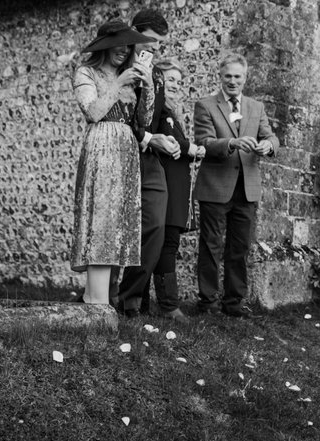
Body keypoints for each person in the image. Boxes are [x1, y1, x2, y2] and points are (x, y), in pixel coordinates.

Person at [70, 20, 155, 304]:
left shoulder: (129, 77)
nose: (124, 50)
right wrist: (118, 84)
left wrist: (148, 86)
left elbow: (142, 122)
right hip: (101, 147)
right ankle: (96, 300)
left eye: (128, 45)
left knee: (119, 221)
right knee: (101, 219)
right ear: (105, 45)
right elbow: (93, 111)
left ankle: (96, 297)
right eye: (119, 44)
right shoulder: (87, 72)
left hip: (126, 151)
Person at [193, 53, 279, 318]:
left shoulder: (256, 107)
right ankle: (208, 302)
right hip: (215, 187)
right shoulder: (205, 105)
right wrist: (231, 143)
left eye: (237, 76)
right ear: (220, 76)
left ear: (245, 78)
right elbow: (204, 142)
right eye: (228, 76)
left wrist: (268, 146)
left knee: (239, 248)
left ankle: (234, 303)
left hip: (247, 188)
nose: (232, 81)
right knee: (211, 245)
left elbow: (272, 137)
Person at [116, 8, 180, 317]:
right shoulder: (116, 66)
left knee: (155, 224)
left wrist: (167, 137)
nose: (154, 48)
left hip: (151, 158)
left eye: (159, 43)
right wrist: (147, 138)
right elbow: (118, 117)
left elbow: (162, 114)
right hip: (122, 153)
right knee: (123, 227)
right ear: (133, 31)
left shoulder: (156, 74)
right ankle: (128, 302)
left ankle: (129, 295)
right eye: (150, 40)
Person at [142, 59, 205, 323]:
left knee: (168, 243)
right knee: (165, 244)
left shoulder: (171, 113)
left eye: (179, 81)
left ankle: (148, 303)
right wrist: (189, 146)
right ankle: (168, 305)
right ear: (159, 82)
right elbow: (152, 135)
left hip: (176, 185)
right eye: (171, 80)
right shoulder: (156, 109)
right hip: (163, 183)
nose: (176, 85)